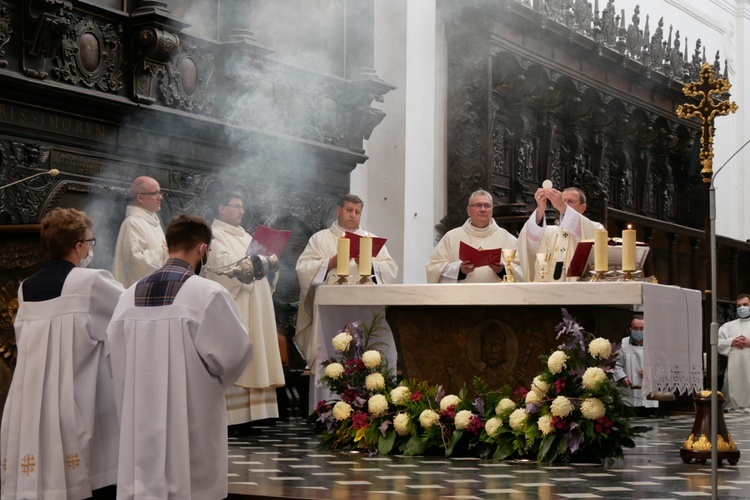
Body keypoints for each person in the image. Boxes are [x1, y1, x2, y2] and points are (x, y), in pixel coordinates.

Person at [106, 214, 253, 499]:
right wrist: (209, 384)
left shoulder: (128, 295)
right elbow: (236, 354)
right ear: (203, 250)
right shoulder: (207, 293)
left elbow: (112, 359)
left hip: (138, 419)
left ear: (166, 244)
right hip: (190, 416)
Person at [1, 208, 123, 499]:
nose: (91, 248)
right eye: (89, 241)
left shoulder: (24, 288)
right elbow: (128, 319)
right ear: (79, 247)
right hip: (76, 396)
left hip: (31, 399)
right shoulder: (91, 282)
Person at [205, 191, 285, 428]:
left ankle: (259, 413)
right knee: (240, 353)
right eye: (236, 206)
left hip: (257, 303)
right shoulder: (214, 235)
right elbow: (223, 268)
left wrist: (272, 262)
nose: (242, 211)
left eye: (242, 206)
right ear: (221, 208)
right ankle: (236, 416)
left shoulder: (246, 235)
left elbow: (261, 265)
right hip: (237, 305)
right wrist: (257, 262)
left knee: (258, 351)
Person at [295, 194, 398, 370]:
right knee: (332, 352)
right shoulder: (320, 239)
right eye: (349, 210)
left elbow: (391, 268)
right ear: (339, 211)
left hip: (366, 308)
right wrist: (329, 263)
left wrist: (371, 264)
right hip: (333, 309)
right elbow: (303, 268)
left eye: (357, 212)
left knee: (367, 350)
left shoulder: (370, 240)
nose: (353, 215)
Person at [425, 189, 523, 283]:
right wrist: (459, 270)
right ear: (469, 210)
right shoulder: (451, 237)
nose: (483, 209)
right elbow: (433, 267)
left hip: (496, 297)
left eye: (487, 206)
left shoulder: (507, 238)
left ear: (492, 211)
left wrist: (502, 270)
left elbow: (522, 269)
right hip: (462, 297)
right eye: (478, 205)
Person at [518, 186, 604, 282]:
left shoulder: (595, 228)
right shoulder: (549, 232)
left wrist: (563, 207)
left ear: (583, 207)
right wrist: (540, 209)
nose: (565, 204)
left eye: (571, 201)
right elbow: (528, 238)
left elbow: (594, 238)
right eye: (563, 200)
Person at [112, 175, 167, 288]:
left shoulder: (154, 222)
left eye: (160, 192)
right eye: (154, 193)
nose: (160, 197)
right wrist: (167, 252)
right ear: (140, 198)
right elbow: (136, 262)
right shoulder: (132, 223)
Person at [613, 314, 658, 416]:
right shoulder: (622, 344)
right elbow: (616, 365)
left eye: (642, 328)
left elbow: (663, 367)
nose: (638, 331)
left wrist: (650, 371)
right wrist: (622, 377)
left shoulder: (654, 345)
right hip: (628, 395)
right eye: (635, 328)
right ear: (629, 329)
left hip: (649, 399)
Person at [718, 293, 750, 412]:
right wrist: (732, 342)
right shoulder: (728, 326)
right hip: (734, 366)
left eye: (745, 305)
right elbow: (718, 344)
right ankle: (733, 404)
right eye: (739, 305)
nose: (742, 308)